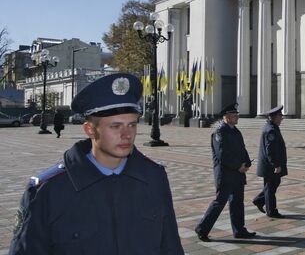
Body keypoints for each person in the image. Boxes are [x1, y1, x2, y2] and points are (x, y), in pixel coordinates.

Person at [9, 73, 184, 254]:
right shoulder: (48, 190)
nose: (127, 134)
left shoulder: (154, 176)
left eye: (132, 125)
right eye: (115, 126)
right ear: (90, 129)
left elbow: (170, 247)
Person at [195, 103, 256, 241]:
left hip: (238, 174)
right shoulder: (219, 132)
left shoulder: (235, 131)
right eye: (234, 115)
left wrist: (247, 163)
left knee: (237, 202)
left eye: (237, 115)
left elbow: (242, 149)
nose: (237, 117)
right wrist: (238, 167)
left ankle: (239, 230)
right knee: (219, 202)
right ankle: (202, 228)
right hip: (226, 174)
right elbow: (223, 155)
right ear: (226, 117)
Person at [253, 105, 288, 219]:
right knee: (271, 188)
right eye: (280, 115)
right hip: (270, 166)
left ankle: (259, 200)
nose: (282, 118)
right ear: (273, 117)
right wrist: (276, 165)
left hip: (269, 166)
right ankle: (271, 211)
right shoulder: (271, 130)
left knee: (272, 186)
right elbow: (270, 150)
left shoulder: (270, 127)